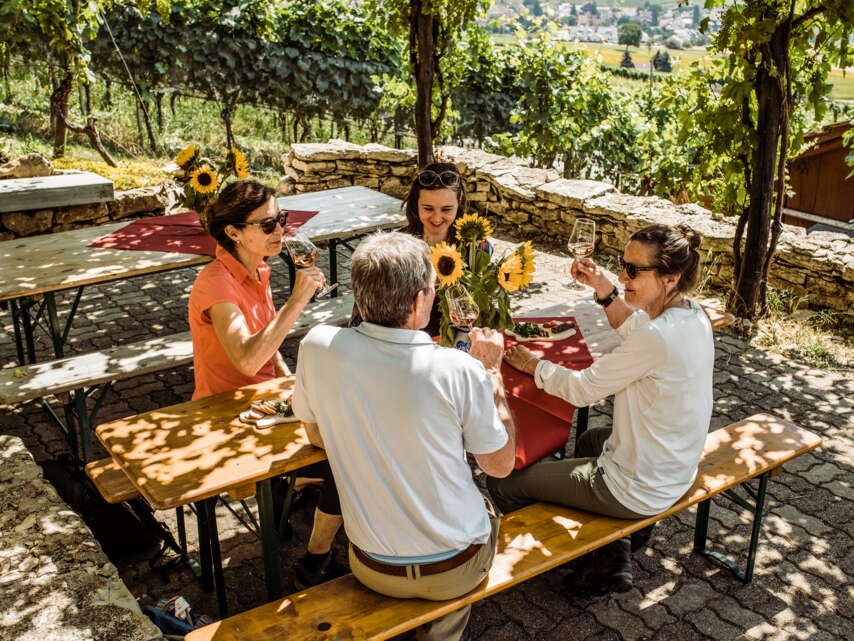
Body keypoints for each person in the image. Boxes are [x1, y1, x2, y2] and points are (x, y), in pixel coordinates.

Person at [293, 231, 517, 641]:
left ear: (359, 298)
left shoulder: (318, 345)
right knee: (486, 504)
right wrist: (493, 377)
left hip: (371, 565)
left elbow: (315, 434)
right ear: (420, 301)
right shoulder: (458, 368)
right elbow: (500, 466)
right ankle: (441, 632)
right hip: (452, 570)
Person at [494, 223, 714, 596]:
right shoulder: (692, 315)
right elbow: (633, 328)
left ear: (670, 278)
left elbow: (583, 391)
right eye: (621, 264)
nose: (623, 275)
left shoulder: (656, 336)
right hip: (676, 468)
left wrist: (534, 367)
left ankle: (544, 557)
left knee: (504, 483)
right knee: (593, 438)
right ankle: (614, 552)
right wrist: (603, 289)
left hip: (641, 487)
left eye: (633, 270)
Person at [187, 180, 345, 588]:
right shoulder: (216, 283)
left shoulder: (257, 267)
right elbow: (246, 359)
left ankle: (290, 506)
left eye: (282, 219)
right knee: (343, 464)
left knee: (349, 439)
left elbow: (266, 343)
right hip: (225, 411)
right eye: (269, 224)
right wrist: (297, 301)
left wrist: (293, 383)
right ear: (234, 232)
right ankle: (311, 562)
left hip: (264, 402)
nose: (281, 231)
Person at [350, 162, 487, 337]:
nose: (437, 218)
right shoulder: (394, 246)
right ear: (415, 205)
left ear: (459, 205)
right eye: (428, 209)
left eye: (447, 209)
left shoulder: (477, 248)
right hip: (400, 342)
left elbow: (482, 306)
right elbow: (366, 305)